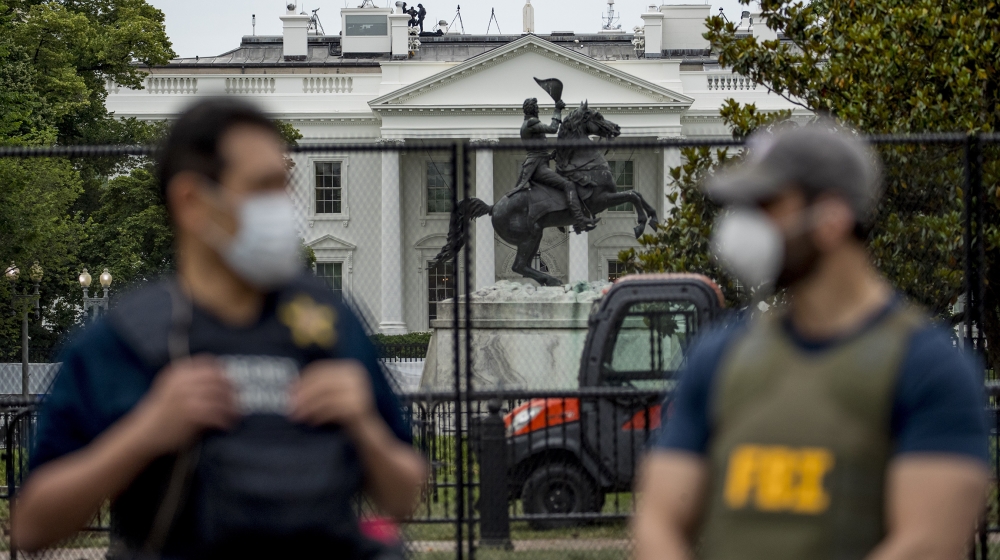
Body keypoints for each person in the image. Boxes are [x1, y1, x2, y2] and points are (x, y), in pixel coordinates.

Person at [11, 99, 427, 559]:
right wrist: (144, 433)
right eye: (262, 188)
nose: (284, 208)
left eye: (284, 186)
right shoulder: (127, 338)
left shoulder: (328, 322)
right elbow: (31, 526)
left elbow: (405, 497)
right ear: (192, 202)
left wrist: (365, 425)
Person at [633, 125, 988, 560]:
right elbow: (658, 521)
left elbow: (927, 544)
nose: (740, 227)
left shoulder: (927, 367)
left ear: (832, 218)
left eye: (767, 204)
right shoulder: (719, 357)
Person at [513, 97, 597, 233]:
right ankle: (580, 220)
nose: (538, 109)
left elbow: (536, 151)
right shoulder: (531, 122)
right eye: (537, 107)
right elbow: (552, 129)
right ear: (533, 109)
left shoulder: (527, 124)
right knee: (568, 185)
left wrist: (550, 156)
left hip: (538, 163)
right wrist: (557, 110)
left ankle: (559, 215)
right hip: (538, 168)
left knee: (560, 183)